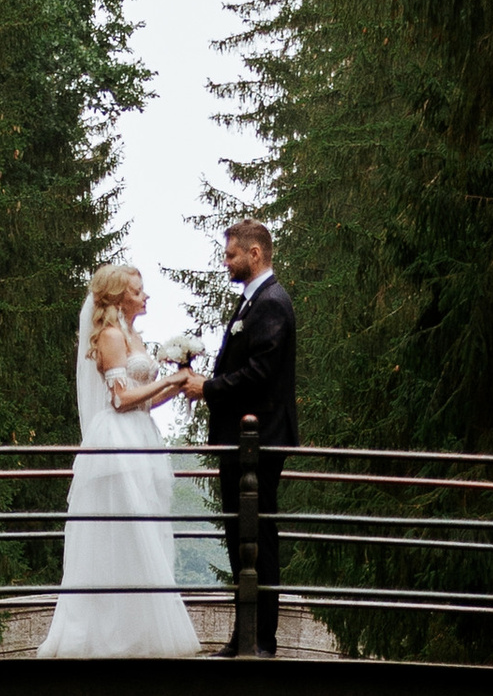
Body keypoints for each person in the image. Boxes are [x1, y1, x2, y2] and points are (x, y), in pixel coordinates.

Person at [36, 262, 202, 661]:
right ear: (118, 296)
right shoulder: (110, 335)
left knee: (144, 530)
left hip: (141, 436)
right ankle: (105, 634)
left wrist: (177, 385)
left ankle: (138, 628)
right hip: (117, 440)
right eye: (138, 289)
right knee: (122, 531)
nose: (146, 296)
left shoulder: (134, 336)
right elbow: (121, 400)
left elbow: (143, 401)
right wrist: (167, 381)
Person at [187, 218, 297, 657]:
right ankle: (245, 634)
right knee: (240, 537)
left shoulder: (270, 302)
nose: (225, 261)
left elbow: (260, 373)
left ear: (255, 254)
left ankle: (261, 639)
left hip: (260, 439)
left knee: (257, 536)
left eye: (231, 254)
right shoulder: (254, 301)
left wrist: (207, 388)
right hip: (243, 440)